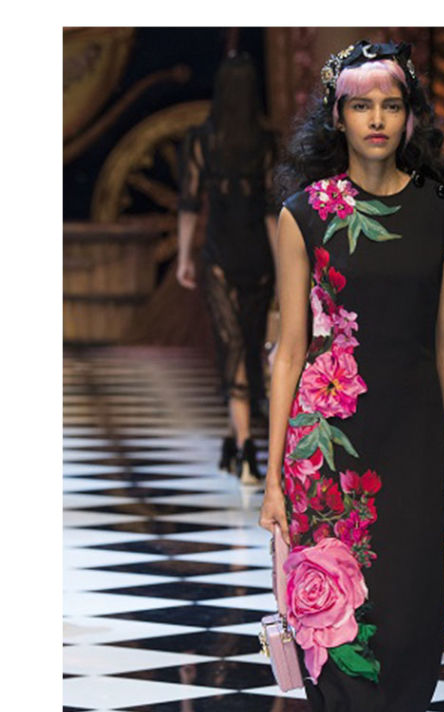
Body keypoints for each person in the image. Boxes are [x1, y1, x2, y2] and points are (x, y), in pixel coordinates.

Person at [258, 39, 444, 712]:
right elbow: (289, 348)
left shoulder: (443, 214)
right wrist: (273, 475)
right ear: (337, 116)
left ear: (410, 115)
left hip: (414, 446)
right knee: (336, 638)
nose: (376, 119)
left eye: (390, 104)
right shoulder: (304, 214)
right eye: (360, 104)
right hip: (327, 446)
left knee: (414, 632)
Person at [177, 52, 278, 484]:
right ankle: (239, 441)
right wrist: (284, 267)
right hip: (258, 258)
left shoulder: (202, 141)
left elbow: (188, 204)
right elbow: (273, 213)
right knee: (248, 347)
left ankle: (243, 447)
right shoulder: (267, 143)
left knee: (232, 347)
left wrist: (184, 256)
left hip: (219, 256)